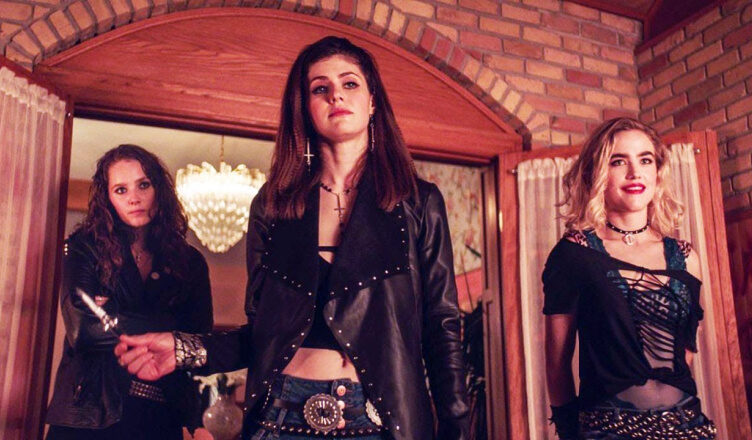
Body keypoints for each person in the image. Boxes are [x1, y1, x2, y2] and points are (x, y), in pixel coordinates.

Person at [115, 36, 470, 440]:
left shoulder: (418, 202)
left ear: (372, 102)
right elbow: (262, 335)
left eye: (350, 83)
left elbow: (442, 327)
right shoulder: (272, 205)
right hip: (280, 418)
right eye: (320, 88)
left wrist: (456, 429)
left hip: (378, 423)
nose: (336, 94)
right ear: (304, 107)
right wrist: (185, 350)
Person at [543, 118, 717, 439]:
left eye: (645, 160)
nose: (635, 172)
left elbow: (685, 354)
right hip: (608, 429)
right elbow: (557, 366)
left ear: (657, 172)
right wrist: (569, 432)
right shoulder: (574, 254)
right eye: (618, 161)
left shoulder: (685, 257)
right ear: (596, 173)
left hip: (685, 426)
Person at [46, 145, 213, 440]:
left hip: (159, 417)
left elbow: (197, 345)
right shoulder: (83, 247)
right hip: (89, 415)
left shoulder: (191, 263)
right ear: (108, 198)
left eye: (143, 185)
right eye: (120, 190)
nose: (134, 198)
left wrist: (112, 312)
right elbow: (83, 329)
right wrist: (168, 328)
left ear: (159, 190)